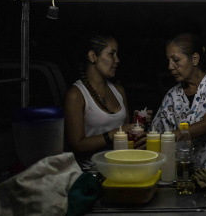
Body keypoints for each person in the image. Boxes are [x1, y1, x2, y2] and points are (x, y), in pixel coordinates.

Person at [152, 33, 206, 169]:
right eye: (168, 61)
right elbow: (156, 132)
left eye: (176, 60)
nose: (170, 66)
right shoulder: (172, 95)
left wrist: (162, 137)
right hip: (184, 173)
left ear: (194, 59)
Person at [63, 33, 146, 171]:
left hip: (122, 167)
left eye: (117, 55)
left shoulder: (118, 91)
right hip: (92, 173)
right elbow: (77, 145)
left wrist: (138, 123)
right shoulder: (76, 95)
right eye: (111, 54)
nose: (117, 60)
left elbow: (126, 133)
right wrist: (113, 134)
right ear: (92, 56)